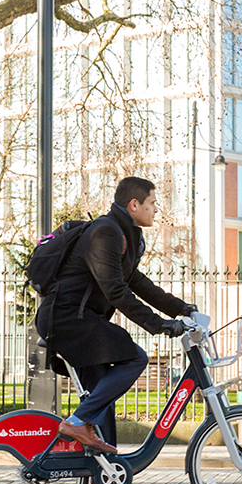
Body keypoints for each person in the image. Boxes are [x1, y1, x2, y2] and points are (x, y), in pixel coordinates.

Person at [45, 176, 196, 458]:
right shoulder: (106, 232)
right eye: (152, 203)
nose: (156, 210)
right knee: (135, 357)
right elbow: (116, 291)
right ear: (134, 204)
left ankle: (105, 477)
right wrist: (159, 324)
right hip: (69, 320)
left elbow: (138, 283)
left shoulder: (128, 235)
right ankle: (76, 423)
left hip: (84, 322)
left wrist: (183, 309)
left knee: (102, 400)